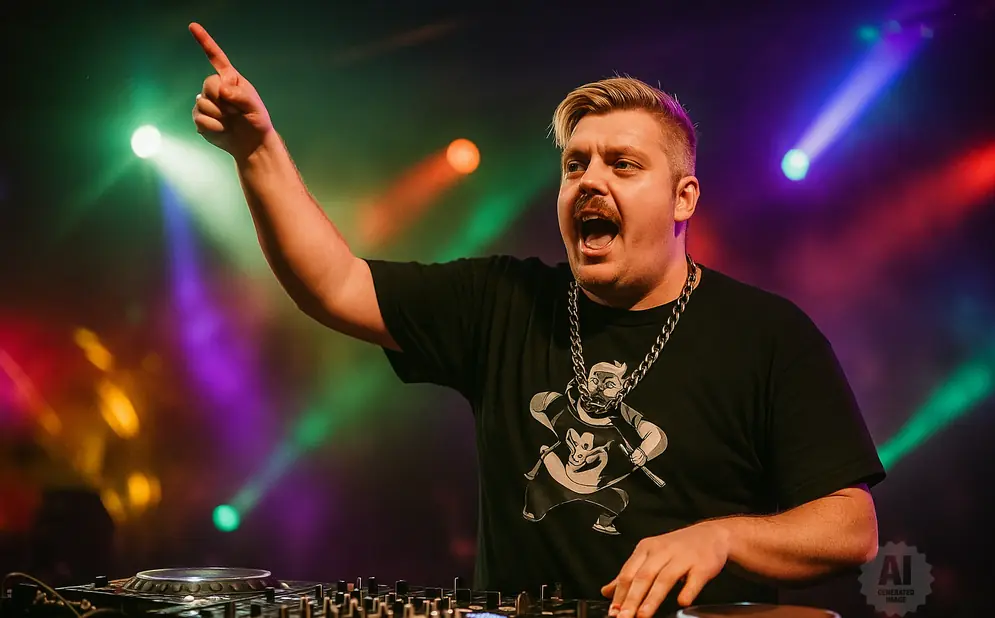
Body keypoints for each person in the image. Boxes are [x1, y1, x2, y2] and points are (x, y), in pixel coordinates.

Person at [187, 21, 886, 618]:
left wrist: (721, 538)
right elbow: (334, 285)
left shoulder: (767, 337)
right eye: (575, 164)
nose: (591, 180)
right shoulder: (506, 301)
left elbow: (852, 528)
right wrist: (258, 153)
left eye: (623, 164)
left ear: (683, 198)